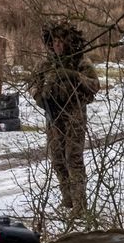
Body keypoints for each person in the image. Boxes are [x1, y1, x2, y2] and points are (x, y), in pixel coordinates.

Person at [29, 21, 99, 221]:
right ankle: (67, 200)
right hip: (53, 116)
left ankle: (80, 205)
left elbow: (95, 85)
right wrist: (39, 96)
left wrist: (73, 76)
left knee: (73, 159)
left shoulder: (80, 62)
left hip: (74, 116)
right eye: (54, 42)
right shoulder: (45, 64)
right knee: (57, 159)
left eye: (61, 42)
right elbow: (33, 83)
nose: (57, 46)